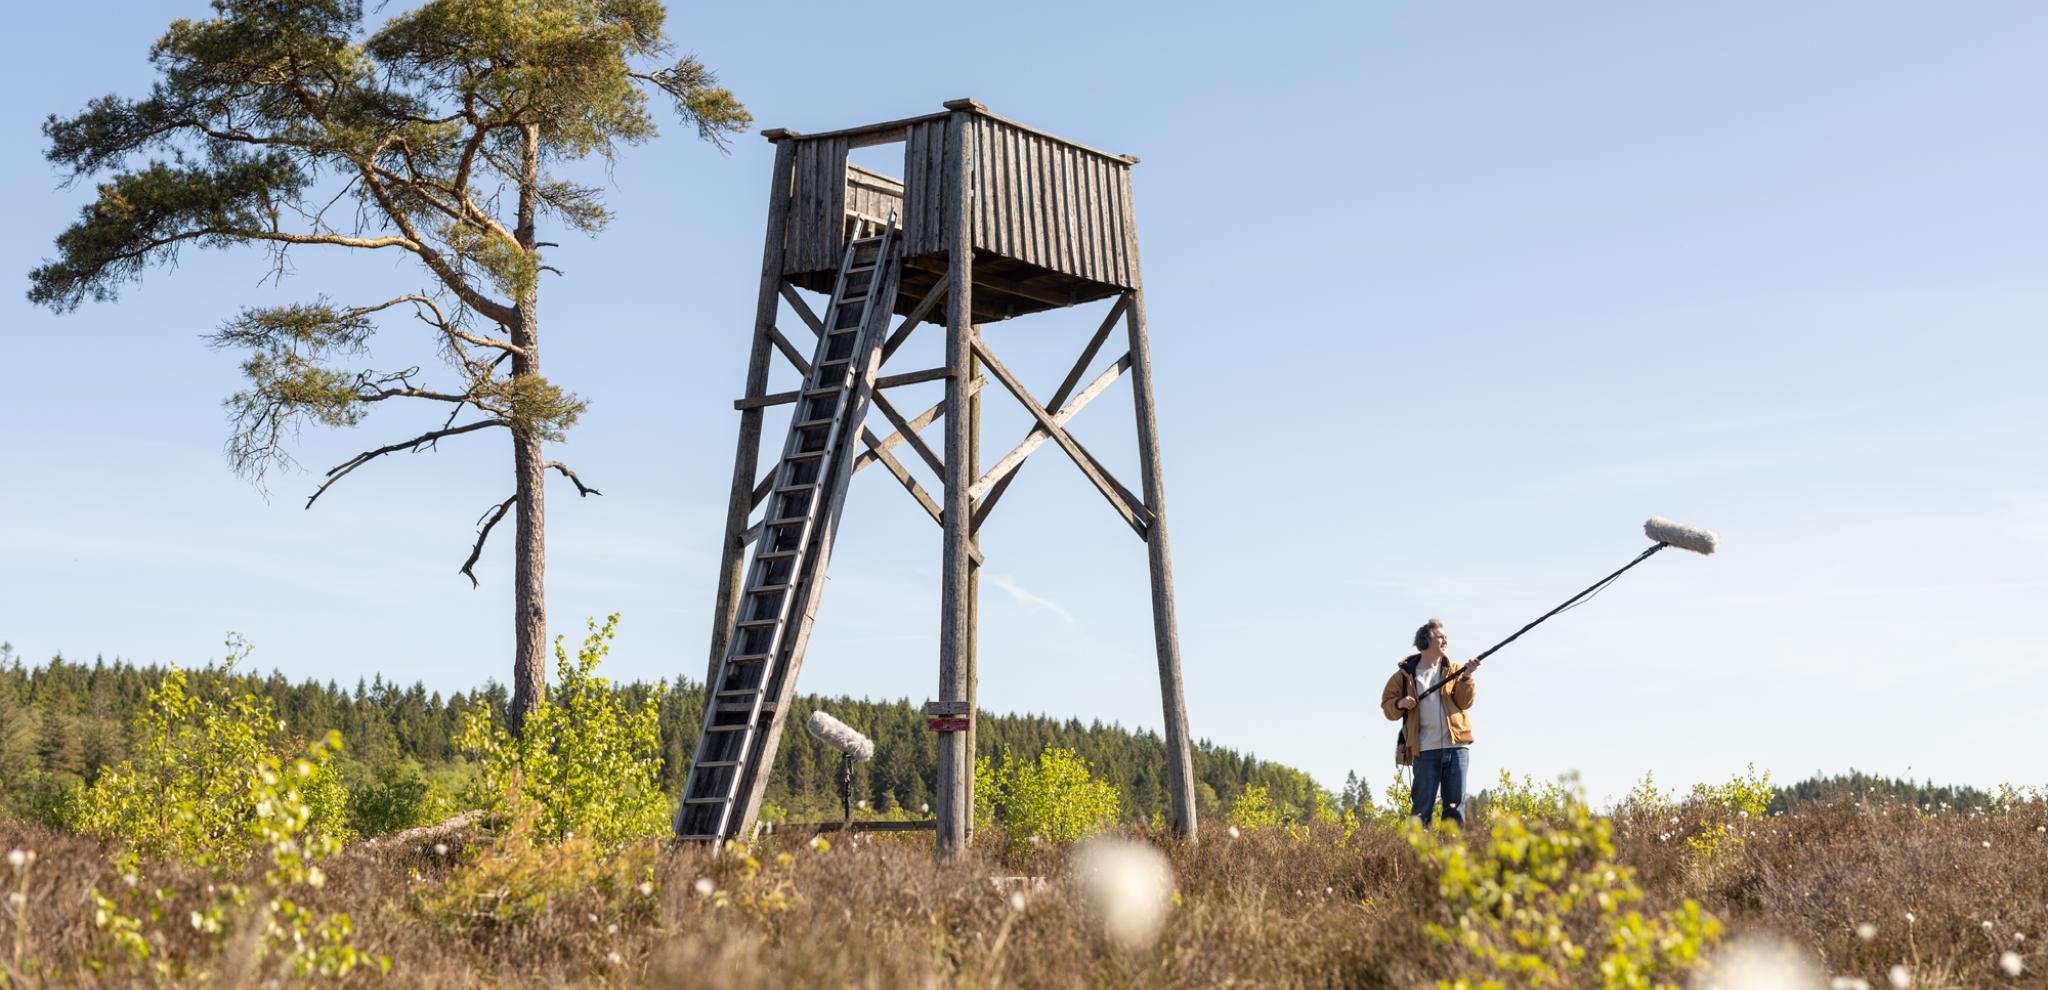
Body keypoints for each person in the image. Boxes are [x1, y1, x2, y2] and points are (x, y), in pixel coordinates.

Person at [1380, 618, 1480, 826]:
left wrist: (1466, 677)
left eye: (1446, 637)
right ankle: (1417, 847)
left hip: (1457, 747)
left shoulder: (1456, 670)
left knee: (1455, 808)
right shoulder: (1404, 675)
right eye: (1440, 637)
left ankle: (1451, 846)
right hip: (1424, 750)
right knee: (1421, 809)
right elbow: (1388, 707)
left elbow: (1465, 702)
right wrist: (1400, 703)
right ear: (1425, 641)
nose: (1446, 641)